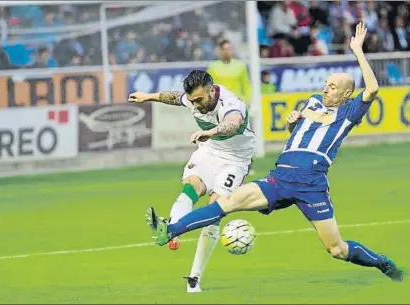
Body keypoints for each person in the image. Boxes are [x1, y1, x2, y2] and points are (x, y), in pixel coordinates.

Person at [145, 23, 404, 283]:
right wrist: (293, 121)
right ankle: (169, 231)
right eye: (326, 84)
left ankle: (383, 263)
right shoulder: (313, 101)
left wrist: (357, 50)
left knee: (336, 249)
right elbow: (298, 131)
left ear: (347, 94)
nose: (326, 89)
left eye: (333, 87)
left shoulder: (349, 112)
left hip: (310, 183)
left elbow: (372, 89)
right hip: (280, 177)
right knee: (226, 203)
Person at [128, 70, 256, 292]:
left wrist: (212, 132)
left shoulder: (231, 103)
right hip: (208, 153)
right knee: (191, 187)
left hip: (234, 161)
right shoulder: (192, 99)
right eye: (192, 101)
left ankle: (194, 278)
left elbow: (233, 124)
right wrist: (148, 96)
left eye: (199, 100)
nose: (195, 105)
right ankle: (171, 231)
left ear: (212, 89)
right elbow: (174, 97)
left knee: (215, 210)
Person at [207, 39, 252, 104]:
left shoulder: (240, 65)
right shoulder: (212, 67)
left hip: (237, 102)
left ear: (232, 50)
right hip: (220, 103)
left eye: (229, 49)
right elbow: (208, 87)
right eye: (224, 49)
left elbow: (246, 85)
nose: (227, 51)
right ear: (220, 51)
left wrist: (246, 100)